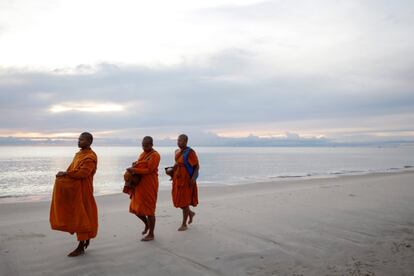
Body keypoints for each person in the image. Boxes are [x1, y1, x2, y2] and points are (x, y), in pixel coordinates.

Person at [50, 132, 98, 257]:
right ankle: (84, 240)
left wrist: (65, 174)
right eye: (79, 139)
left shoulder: (90, 157)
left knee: (81, 216)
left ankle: (81, 246)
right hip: (76, 190)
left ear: (89, 142)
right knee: (77, 215)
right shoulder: (79, 155)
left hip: (84, 191)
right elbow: (72, 170)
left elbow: (83, 174)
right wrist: (64, 174)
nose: (79, 141)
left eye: (82, 140)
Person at [126, 136, 160, 241]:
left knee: (149, 210)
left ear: (151, 144)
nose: (144, 147)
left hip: (150, 184)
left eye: (147, 145)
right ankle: (147, 224)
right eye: (143, 145)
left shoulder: (155, 155)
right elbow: (140, 164)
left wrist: (134, 170)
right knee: (136, 209)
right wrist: (135, 165)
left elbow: (149, 169)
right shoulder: (142, 154)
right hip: (139, 185)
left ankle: (151, 234)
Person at [171, 134, 199, 231]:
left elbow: (196, 167)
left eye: (181, 140)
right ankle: (190, 213)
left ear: (186, 141)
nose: (179, 142)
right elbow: (177, 163)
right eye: (178, 140)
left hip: (186, 180)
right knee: (178, 200)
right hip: (177, 179)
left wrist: (193, 178)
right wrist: (172, 171)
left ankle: (184, 224)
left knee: (184, 201)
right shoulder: (177, 151)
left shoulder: (190, 152)